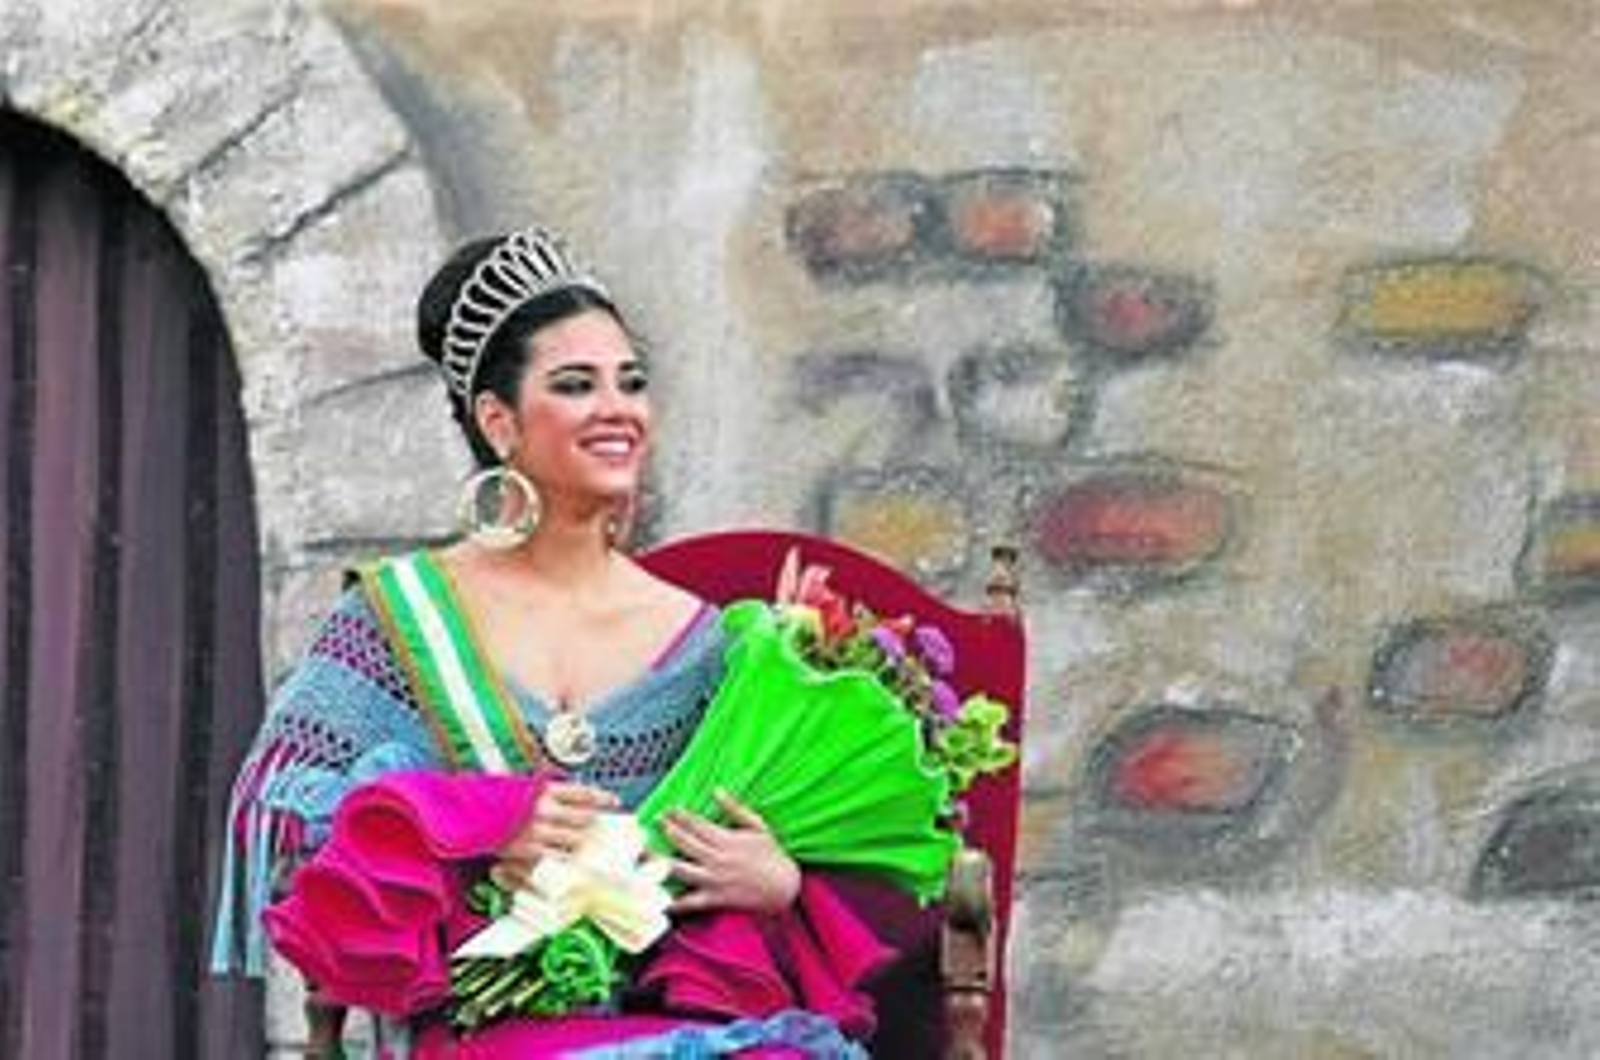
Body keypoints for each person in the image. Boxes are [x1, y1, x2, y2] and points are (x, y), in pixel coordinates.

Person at [209, 227, 896, 1057]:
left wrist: (777, 881)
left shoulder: (703, 643)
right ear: (498, 421)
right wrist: (473, 827)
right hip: (486, 1024)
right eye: (576, 385)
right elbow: (280, 811)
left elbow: (803, 849)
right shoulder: (402, 618)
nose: (618, 409)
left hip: (681, 1023)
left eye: (631, 383)